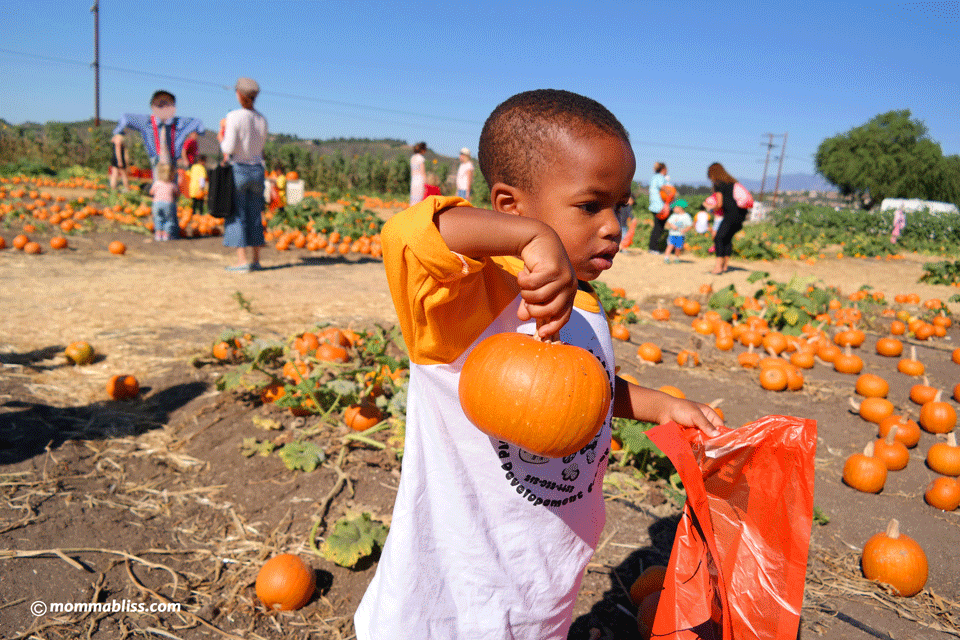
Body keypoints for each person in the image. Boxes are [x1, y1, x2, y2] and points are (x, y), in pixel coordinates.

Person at [354, 89, 723, 640]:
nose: (614, 226)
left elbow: (588, 391)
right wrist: (532, 239)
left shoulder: (586, 303)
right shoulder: (466, 300)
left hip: (543, 574)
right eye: (590, 205)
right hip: (453, 592)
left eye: (620, 206)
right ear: (508, 206)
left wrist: (662, 405)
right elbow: (408, 233)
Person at [220, 77, 268, 272]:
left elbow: (229, 147)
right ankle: (256, 259)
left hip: (239, 168)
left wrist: (220, 136)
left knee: (237, 214)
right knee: (255, 214)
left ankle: (242, 261)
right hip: (257, 170)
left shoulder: (234, 116)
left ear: (239, 94)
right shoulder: (261, 118)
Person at [112, 90, 204, 178]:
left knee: (172, 181)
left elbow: (198, 123)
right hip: (156, 158)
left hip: (172, 159)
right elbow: (125, 117)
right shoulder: (147, 122)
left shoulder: (177, 123)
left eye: (169, 105)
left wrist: (200, 131)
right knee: (159, 180)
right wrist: (118, 133)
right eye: (161, 106)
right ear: (153, 107)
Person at [705, 162, 751, 274]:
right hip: (741, 214)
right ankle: (725, 266)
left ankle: (718, 267)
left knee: (719, 238)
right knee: (727, 239)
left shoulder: (718, 184)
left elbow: (719, 204)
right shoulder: (732, 182)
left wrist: (709, 207)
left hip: (731, 214)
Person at [149, 163, 179, 241]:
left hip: (157, 204)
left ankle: (158, 235)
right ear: (171, 175)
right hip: (168, 204)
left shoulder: (157, 183)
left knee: (158, 219)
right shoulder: (172, 185)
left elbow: (151, 192)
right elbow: (177, 193)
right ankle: (166, 235)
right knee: (168, 220)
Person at [647, 161, 670, 253]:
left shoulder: (654, 177)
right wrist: (672, 194)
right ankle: (653, 248)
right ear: (663, 169)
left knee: (657, 227)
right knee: (659, 228)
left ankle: (653, 247)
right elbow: (664, 188)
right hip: (660, 206)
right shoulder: (660, 178)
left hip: (654, 205)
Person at [663, 199, 693, 263]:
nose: (673, 209)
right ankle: (666, 258)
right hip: (672, 234)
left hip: (680, 235)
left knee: (678, 247)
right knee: (670, 245)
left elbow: (690, 225)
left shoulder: (686, 216)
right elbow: (668, 222)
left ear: (680, 208)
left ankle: (676, 258)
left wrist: (685, 230)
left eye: (675, 208)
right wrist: (671, 225)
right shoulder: (673, 216)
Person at [188, 154, 208, 218]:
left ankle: (193, 215)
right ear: (201, 161)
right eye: (204, 161)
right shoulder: (202, 168)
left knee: (194, 203)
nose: (205, 163)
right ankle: (200, 216)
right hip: (199, 189)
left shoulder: (193, 167)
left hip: (192, 188)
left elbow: (189, 175)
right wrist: (201, 187)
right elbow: (202, 178)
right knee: (200, 204)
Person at [409, 141, 427, 206]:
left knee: (413, 199)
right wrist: (426, 183)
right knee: (419, 200)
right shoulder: (421, 158)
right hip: (420, 180)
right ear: (422, 150)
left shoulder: (412, 158)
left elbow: (412, 172)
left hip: (414, 180)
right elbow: (423, 172)